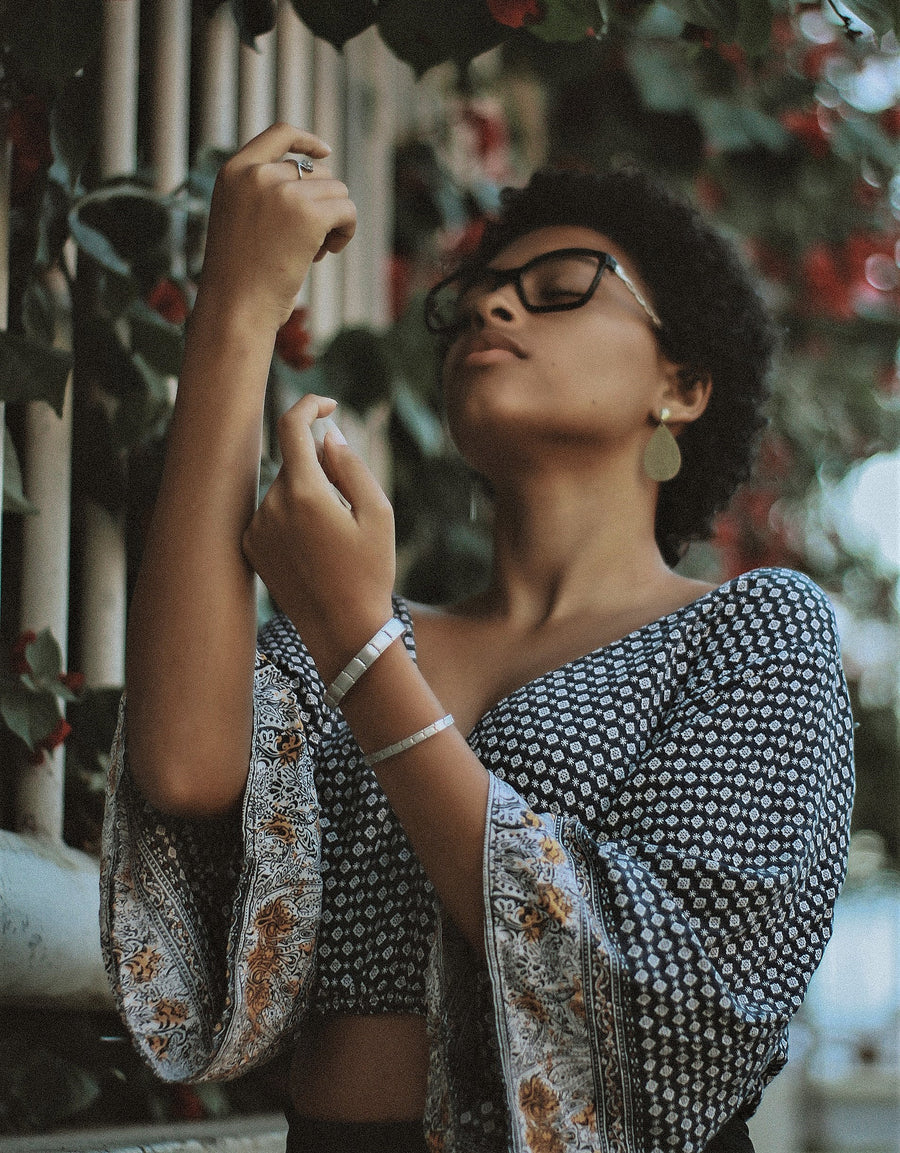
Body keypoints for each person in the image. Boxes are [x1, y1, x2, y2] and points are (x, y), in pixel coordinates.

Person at [100, 123, 855, 1153]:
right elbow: (184, 772)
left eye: (560, 285)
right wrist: (238, 306)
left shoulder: (752, 632)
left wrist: (362, 652)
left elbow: (682, 993)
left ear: (679, 386)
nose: (492, 306)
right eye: (470, 301)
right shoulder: (360, 619)